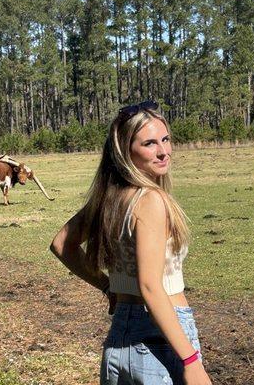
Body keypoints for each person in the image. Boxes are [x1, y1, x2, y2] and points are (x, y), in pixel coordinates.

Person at [50, 101, 212, 385]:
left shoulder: (109, 199)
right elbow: (150, 287)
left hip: (121, 336)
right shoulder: (150, 201)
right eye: (149, 143)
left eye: (165, 139)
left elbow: (62, 243)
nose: (163, 151)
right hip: (160, 338)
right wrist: (190, 361)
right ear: (126, 152)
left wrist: (107, 285)